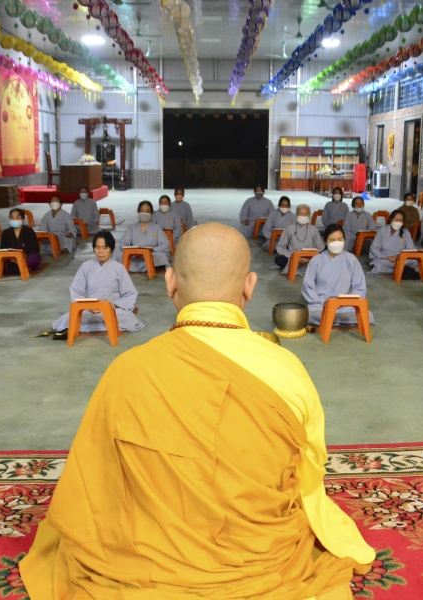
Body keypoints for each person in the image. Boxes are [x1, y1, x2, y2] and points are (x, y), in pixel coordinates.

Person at [20, 222, 376, 600]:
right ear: (250, 286)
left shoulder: (127, 370)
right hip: (258, 555)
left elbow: (95, 479)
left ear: (170, 282)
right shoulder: (287, 371)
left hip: (147, 560)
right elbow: (309, 472)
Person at [50, 231, 144, 336]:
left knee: (129, 319)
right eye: (97, 247)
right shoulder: (86, 266)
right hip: (90, 311)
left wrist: (113, 306)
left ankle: (92, 325)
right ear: (93, 248)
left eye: (105, 248)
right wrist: (87, 306)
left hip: (113, 310)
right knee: (67, 318)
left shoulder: (119, 268)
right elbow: (75, 290)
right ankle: (102, 324)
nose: (100, 252)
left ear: (111, 249)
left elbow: (130, 294)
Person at [303, 224, 376, 327]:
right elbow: (308, 287)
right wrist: (322, 302)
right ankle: (339, 319)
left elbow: (359, 287)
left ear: (344, 239)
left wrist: (347, 302)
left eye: (339, 239)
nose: (336, 243)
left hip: (345, 304)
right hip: (322, 304)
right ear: (326, 241)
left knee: (368, 315)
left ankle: (330, 319)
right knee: (307, 313)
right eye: (332, 240)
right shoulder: (317, 260)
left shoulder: (352, 259)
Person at [112, 200, 170, 273]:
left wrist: (152, 250)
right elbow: (123, 243)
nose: (144, 213)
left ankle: (149, 267)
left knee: (161, 256)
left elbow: (165, 244)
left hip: (151, 254)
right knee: (117, 255)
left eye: (147, 211)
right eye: (142, 211)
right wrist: (133, 251)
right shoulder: (131, 227)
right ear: (138, 212)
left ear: (151, 214)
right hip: (133, 256)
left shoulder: (157, 228)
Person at [275, 204, 324, 275]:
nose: (303, 216)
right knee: (278, 259)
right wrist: (292, 256)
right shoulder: (289, 228)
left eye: (305, 214)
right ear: (296, 214)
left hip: (309, 259)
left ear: (309, 215)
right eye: (300, 213)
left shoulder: (314, 230)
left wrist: (309, 258)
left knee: (322, 259)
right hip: (292, 257)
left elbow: (320, 247)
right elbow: (280, 246)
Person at [369, 209, 418, 278]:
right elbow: (374, 247)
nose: (398, 222)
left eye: (401, 220)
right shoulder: (382, 230)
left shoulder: (405, 232)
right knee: (379, 263)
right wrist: (385, 257)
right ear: (391, 219)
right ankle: (399, 269)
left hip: (400, 258)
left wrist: (401, 257)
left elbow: (411, 248)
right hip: (385, 257)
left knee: (415, 261)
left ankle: (397, 268)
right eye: (396, 219)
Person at [0, 208, 41, 275]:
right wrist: (10, 258)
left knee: (34, 257)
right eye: (12, 217)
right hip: (11, 260)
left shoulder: (29, 231)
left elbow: (36, 249)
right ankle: (18, 267)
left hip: (26, 258)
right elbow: (2, 249)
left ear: (23, 220)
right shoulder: (6, 233)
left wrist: (22, 257)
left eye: (17, 217)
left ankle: (21, 266)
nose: (14, 219)